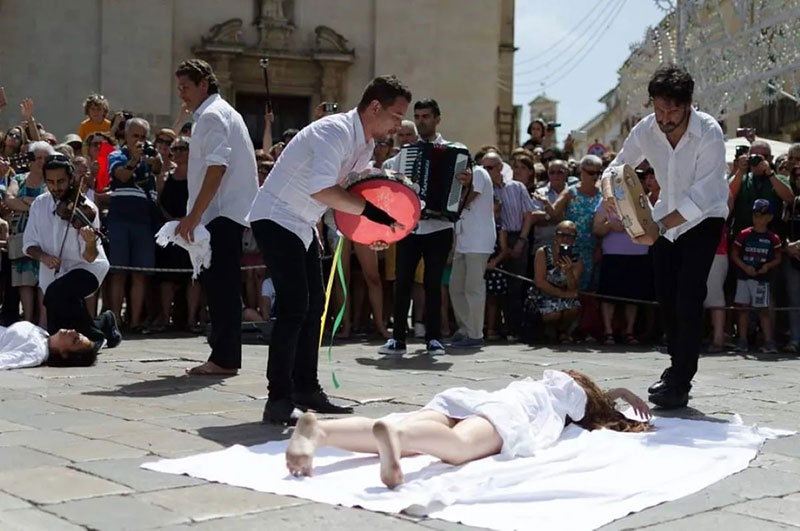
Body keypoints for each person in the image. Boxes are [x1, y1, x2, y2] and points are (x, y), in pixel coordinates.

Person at [247, 75, 409, 424]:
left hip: (302, 224)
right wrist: (373, 216)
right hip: (275, 216)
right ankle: (278, 400)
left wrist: (375, 229)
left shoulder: (364, 145)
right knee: (294, 308)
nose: (399, 124)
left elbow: (354, 194)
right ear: (375, 107)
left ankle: (306, 389)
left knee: (314, 307)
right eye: (396, 116)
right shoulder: (332, 131)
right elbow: (325, 190)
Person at [601, 65, 729, 409]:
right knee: (667, 298)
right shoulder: (646, 129)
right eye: (659, 109)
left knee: (689, 296)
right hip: (662, 221)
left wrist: (660, 226)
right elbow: (618, 164)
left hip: (704, 219)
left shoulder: (709, 132)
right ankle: (675, 365)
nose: (665, 118)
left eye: (673, 110)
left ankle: (680, 378)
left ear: (688, 105)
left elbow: (703, 196)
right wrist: (609, 192)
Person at [285, 369, 652, 488]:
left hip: (466, 398)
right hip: (505, 412)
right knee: (457, 447)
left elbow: (599, 396)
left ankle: (321, 432)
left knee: (417, 425)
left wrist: (616, 391)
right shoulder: (571, 399)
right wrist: (616, 399)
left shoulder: (544, 378)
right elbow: (597, 409)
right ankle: (395, 439)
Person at [173, 59, 259, 376]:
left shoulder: (211, 117)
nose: (181, 94)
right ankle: (225, 355)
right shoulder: (225, 112)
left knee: (221, 288)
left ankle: (223, 358)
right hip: (228, 214)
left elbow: (217, 167)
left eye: (185, 87)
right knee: (222, 286)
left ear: (203, 85)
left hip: (220, 214)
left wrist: (193, 216)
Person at [379, 99, 457, 356]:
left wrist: (462, 181)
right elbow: (387, 176)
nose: (422, 120)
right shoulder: (404, 154)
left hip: (439, 226)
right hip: (410, 227)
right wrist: (395, 178)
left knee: (433, 284)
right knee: (402, 282)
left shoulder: (453, 152)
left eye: (426, 116)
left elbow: (461, 187)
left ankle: (433, 338)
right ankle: (398, 338)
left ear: (437, 119)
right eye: (418, 116)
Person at [22, 154, 120, 352]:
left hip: (88, 267)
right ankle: (104, 322)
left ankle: (93, 336)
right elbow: (29, 244)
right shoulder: (39, 205)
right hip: (54, 273)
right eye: (50, 182)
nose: (56, 187)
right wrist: (44, 257)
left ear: (71, 179)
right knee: (57, 330)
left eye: (61, 181)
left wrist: (90, 241)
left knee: (57, 292)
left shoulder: (87, 208)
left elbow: (90, 256)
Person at [107, 118, 161, 332]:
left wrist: (152, 158)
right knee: (118, 273)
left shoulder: (149, 155)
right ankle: (116, 321)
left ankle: (136, 321)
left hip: (143, 220)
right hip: (120, 219)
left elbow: (158, 167)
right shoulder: (116, 155)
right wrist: (134, 160)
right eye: (135, 136)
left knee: (139, 274)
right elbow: (121, 175)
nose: (139, 141)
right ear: (126, 137)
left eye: (143, 137)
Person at [482, 151, 536, 340]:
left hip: (516, 236)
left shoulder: (517, 187)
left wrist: (522, 240)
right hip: (492, 239)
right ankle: (493, 327)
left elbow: (528, 214)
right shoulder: (484, 190)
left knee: (515, 286)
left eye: (489, 167)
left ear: (499, 168)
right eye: (482, 167)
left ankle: (514, 328)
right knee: (493, 289)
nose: (485, 171)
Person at [6, 141, 53, 325]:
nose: (41, 162)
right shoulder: (19, 179)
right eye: (37, 158)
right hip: (21, 233)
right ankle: (27, 319)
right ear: (30, 160)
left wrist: (26, 201)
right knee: (24, 279)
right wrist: (34, 204)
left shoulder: (51, 181)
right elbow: (9, 200)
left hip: (45, 234)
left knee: (43, 278)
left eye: (45, 158)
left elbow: (50, 205)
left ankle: (43, 321)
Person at [448, 164, 495, 348]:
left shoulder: (480, 173)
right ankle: (465, 328)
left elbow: (467, 200)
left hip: (479, 240)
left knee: (473, 288)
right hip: (463, 240)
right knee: (455, 286)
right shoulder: (460, 181)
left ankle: (475, 334)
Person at [593, 202, 650, 344]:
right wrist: (610, 226)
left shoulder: (640, 199)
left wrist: (632, 225)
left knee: (632, 295)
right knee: (609, 295)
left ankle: (629, 331)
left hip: (638, 253)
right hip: (613, 254)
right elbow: (596, 229)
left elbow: (651, 224)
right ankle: (608, 331)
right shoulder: (605, 203)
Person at [731, 199, 782, 353]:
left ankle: (768, 341)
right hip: (744, 277)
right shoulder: (744, 234)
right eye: (755, 214)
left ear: (769, 217)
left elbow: (778, 258)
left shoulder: (773, 238)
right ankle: (742, 340)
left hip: (762, 279)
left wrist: (767, 266)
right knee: (743, 309)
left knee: (763, 310)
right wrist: (745, 267)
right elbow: (734, 254)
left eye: (762, 215)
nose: (758, 218)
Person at [529, 220, 583, 341]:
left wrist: (569, 271)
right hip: (543, 295)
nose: (565, 239)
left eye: (570, 236)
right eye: (561, 234)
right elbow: (540, 281)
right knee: (554, 314)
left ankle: (562, 331)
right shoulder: (543, 252)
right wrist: (563, 294)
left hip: (564, 295)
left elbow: (572, 288)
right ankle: (544, 329)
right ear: (555, 236)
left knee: (572, 307)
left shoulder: (576, 259)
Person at [0, 320, 112, 370]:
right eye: (77, 333)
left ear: (65, 354)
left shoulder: (35, 353)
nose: (72, 332)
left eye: (75, 340)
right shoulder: (43, 334)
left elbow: (5, 360)